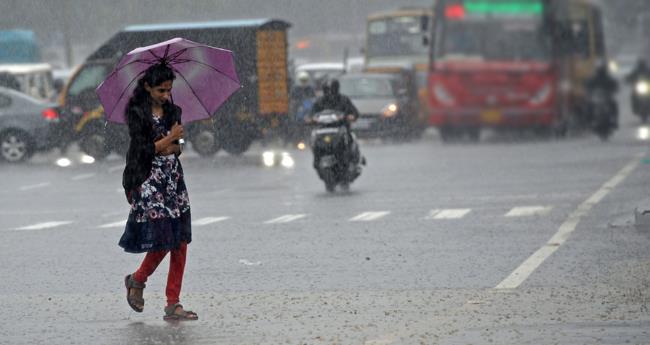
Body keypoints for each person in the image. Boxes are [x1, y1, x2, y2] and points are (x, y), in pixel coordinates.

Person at [119, 63, 198, 321]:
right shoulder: (136, 113)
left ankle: (173, 302)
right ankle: (138, 280)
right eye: (161, 90)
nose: (166, 95)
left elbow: (181, 143)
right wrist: (167, 140)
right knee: (165, 237)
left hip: (173, 180)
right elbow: (143, 150)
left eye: (169, 90)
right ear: (147, 87)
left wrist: (175, 144)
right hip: (147, 180)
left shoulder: (173, 111)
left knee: (180, 241)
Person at [310, 78, 364, 167]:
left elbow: (354, 112)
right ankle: (317, 158)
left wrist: (351, 116)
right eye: (327, 90)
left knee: (349, 137)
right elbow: (312, 113)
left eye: (332, 90)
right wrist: (310, 118)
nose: (330, 93)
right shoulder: (319, 102)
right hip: (322, 128)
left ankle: (352, 157)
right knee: (313, 136)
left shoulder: (344, 100)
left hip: (341, 126)